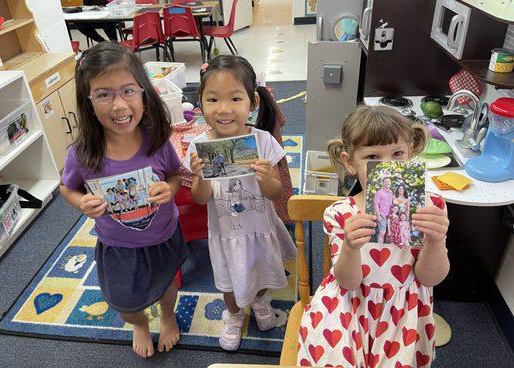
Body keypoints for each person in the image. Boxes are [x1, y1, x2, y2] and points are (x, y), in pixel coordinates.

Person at [59, 42, 188, 358]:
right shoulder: (82, 154)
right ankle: (140, 324)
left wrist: (170, 189)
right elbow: (67, 188)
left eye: (128, 91)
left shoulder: (157, 140)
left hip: (163, 235)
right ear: (88, 102)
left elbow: (174, 174)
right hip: (117, 245)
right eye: (104, 94)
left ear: (144, 92)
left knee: (167, 285)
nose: (118, 105)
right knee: (123, 302)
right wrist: (79, 203)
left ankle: (167, 316)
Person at [297, 105, 450, 367]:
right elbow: (347, 282)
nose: (388, 165)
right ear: (350, 163)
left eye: (398, 153)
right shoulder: (340, 213)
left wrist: (436, 241)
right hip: (350, 307)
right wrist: (350, 247)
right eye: (373, 157)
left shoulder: (430, 206)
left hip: (403, 312)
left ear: (410, 152)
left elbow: (430, 277)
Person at [186, 55, 297, 351]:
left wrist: (264, 178)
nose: (224, 109)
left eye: (235, 98)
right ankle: (233, 314)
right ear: (200, 103)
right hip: (226, 232)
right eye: (213, 99)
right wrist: (200, 177)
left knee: (260, 270)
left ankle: (260, 300)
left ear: (252, 102)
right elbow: (200, 198)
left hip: (260, 226)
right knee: (230, 281)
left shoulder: (263, 141)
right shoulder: (198, 147)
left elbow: (275, 193)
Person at [374, 176, 394, 243]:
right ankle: (379, 248)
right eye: (386, 182)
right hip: (382, 215)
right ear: (383, 183)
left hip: (390, 216)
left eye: (389, 182)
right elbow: (376, 204)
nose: (387, 183)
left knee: (390, 234)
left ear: (390, 183)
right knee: (382, 232)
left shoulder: (391, 193)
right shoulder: (379, 192)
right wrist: (378, 215)